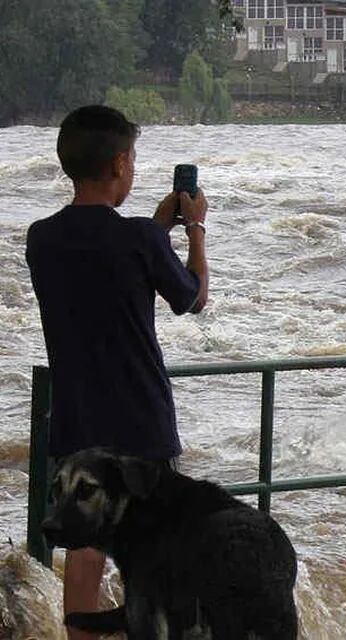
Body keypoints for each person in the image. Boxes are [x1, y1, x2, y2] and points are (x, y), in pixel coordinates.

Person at [25, 105, 209, 640]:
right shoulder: (140, 241)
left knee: (84, 549)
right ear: (121, 163)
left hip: (77, 421)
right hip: (142, 424)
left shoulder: (42, 239)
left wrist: (153, 228)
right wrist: (193, 227)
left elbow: (107, 261)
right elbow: (193, 296)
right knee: (154, 549)